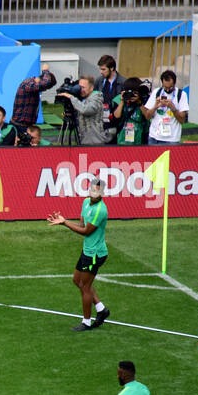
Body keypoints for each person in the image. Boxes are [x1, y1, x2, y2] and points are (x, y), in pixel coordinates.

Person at [46, 180, 111, 331]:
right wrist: (64, 221)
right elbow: (81, 225)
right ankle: (101, 309)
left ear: (102, 193)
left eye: (97, 191)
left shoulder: (100, 210)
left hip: (95, 254)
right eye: (92, 190)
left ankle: (86, 322)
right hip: (87, 251)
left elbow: (86, 231)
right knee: (77, 280)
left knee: (85, 286)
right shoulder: (86, 203)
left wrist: (64, 223)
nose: (93, 194)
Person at [57, 75, 106, 146]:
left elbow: (86, 110)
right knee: (81, 154)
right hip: (83, 139)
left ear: (91, 88)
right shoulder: (82, 98)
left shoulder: (97, 98)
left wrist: (71, 97)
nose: (81, 90)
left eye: (83, 87)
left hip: (94, 141)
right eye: (80, 87)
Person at [9, 63, 55, 139]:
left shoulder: (32, 86)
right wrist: (45, 70)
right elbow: (45, 83)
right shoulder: (28, 84)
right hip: (19, 126)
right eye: (46, 88)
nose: (45, 90)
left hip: (25, 125)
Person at [144, 69, 188, 145]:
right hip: (154, 138)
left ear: (174, 83)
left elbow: (182, 120)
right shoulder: (156, 92)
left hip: (171, 139)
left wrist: (173, 108)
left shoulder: (181, 95)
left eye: (170, 87)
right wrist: (155, 107)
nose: (167, 90)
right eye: (165, 87)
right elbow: (147, 116)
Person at [111, 78, 148, 146]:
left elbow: (147, 116)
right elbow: (116, 116)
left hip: (139, 140)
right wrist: (122, 101)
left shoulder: (144, 100)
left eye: (135, 93)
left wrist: (139, 102)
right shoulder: (118, 100)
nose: (132, 95)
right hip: (122, 140)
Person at [97, 55, 124, 143]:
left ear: (112, 68)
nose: (101, 72)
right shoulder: (99, 81)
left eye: (103, 69)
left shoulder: (123, 82)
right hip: (102, 121)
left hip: (117, 122)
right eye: (100, 69)